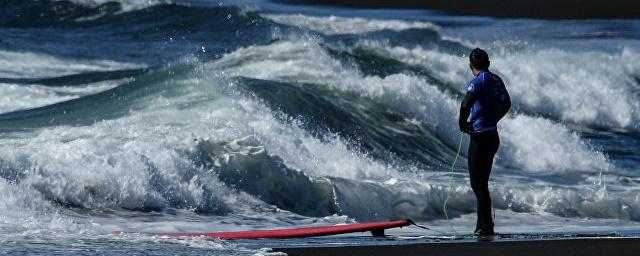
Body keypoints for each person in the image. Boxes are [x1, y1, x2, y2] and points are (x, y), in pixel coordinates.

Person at [458, 48, 511, 236]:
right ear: (488, 63)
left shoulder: (477, 81)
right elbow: (507, 103)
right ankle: (484, 225)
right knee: (482, 183)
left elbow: (465, 104)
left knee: (477, 183)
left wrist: (462, 124)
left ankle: (485, 226)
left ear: (471, 66)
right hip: (492, 136)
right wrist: (494, 118)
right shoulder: (497, 80)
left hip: (480, 138)